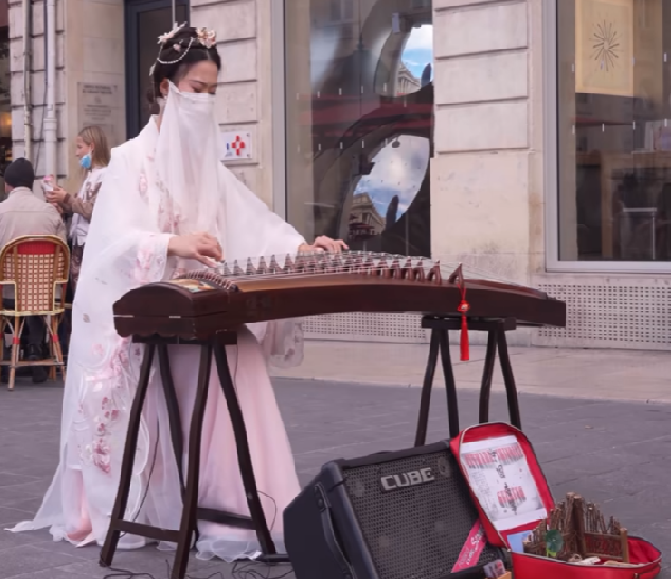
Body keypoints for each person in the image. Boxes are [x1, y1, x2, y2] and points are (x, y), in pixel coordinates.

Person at [10, 24, 347, 561]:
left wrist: (303, 248)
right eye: (195, 88)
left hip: (196, 306)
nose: (204, 101)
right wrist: (173, 241)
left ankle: (247, 509)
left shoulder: (205, 166)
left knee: (241, 351)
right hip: (152, 312)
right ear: (164, 88)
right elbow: (112, 245)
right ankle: (205, 504)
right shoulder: (128, 162)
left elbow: (251, 219)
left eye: (213, 91)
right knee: (223, 353)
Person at [0, 158, 67, 383]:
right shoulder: (50, 212)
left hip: (7, 295)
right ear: (31, 184)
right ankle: (35, 347)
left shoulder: (1, 212)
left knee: (14, 293)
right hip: (44, 295)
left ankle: (4, 353)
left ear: (7, 184)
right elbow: (62, 256)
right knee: (35, 292)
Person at [46, 125, 111, 294]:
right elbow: (80, 208)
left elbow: (93, 211)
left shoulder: (106, 175)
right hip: (80, 243)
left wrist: (66, 198)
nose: (76, 153)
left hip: (92, 245)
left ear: (92, 146)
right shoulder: (90, 175)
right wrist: (62, 202)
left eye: (80, 147)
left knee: (88, 294)